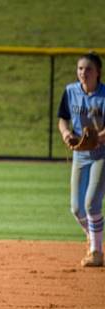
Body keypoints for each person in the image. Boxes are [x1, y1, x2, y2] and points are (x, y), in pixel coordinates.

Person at [58, 51, 105, 267]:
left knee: (91, 203)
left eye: (88, 69)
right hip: (80, 154)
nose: (83, 73)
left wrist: (96, 138)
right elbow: (63, 119)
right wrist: (66, 134)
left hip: (101, 154)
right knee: (76, 208)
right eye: (80, 69)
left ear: (98, 73)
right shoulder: (70, 92)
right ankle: (93, 236)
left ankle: (96, 251)